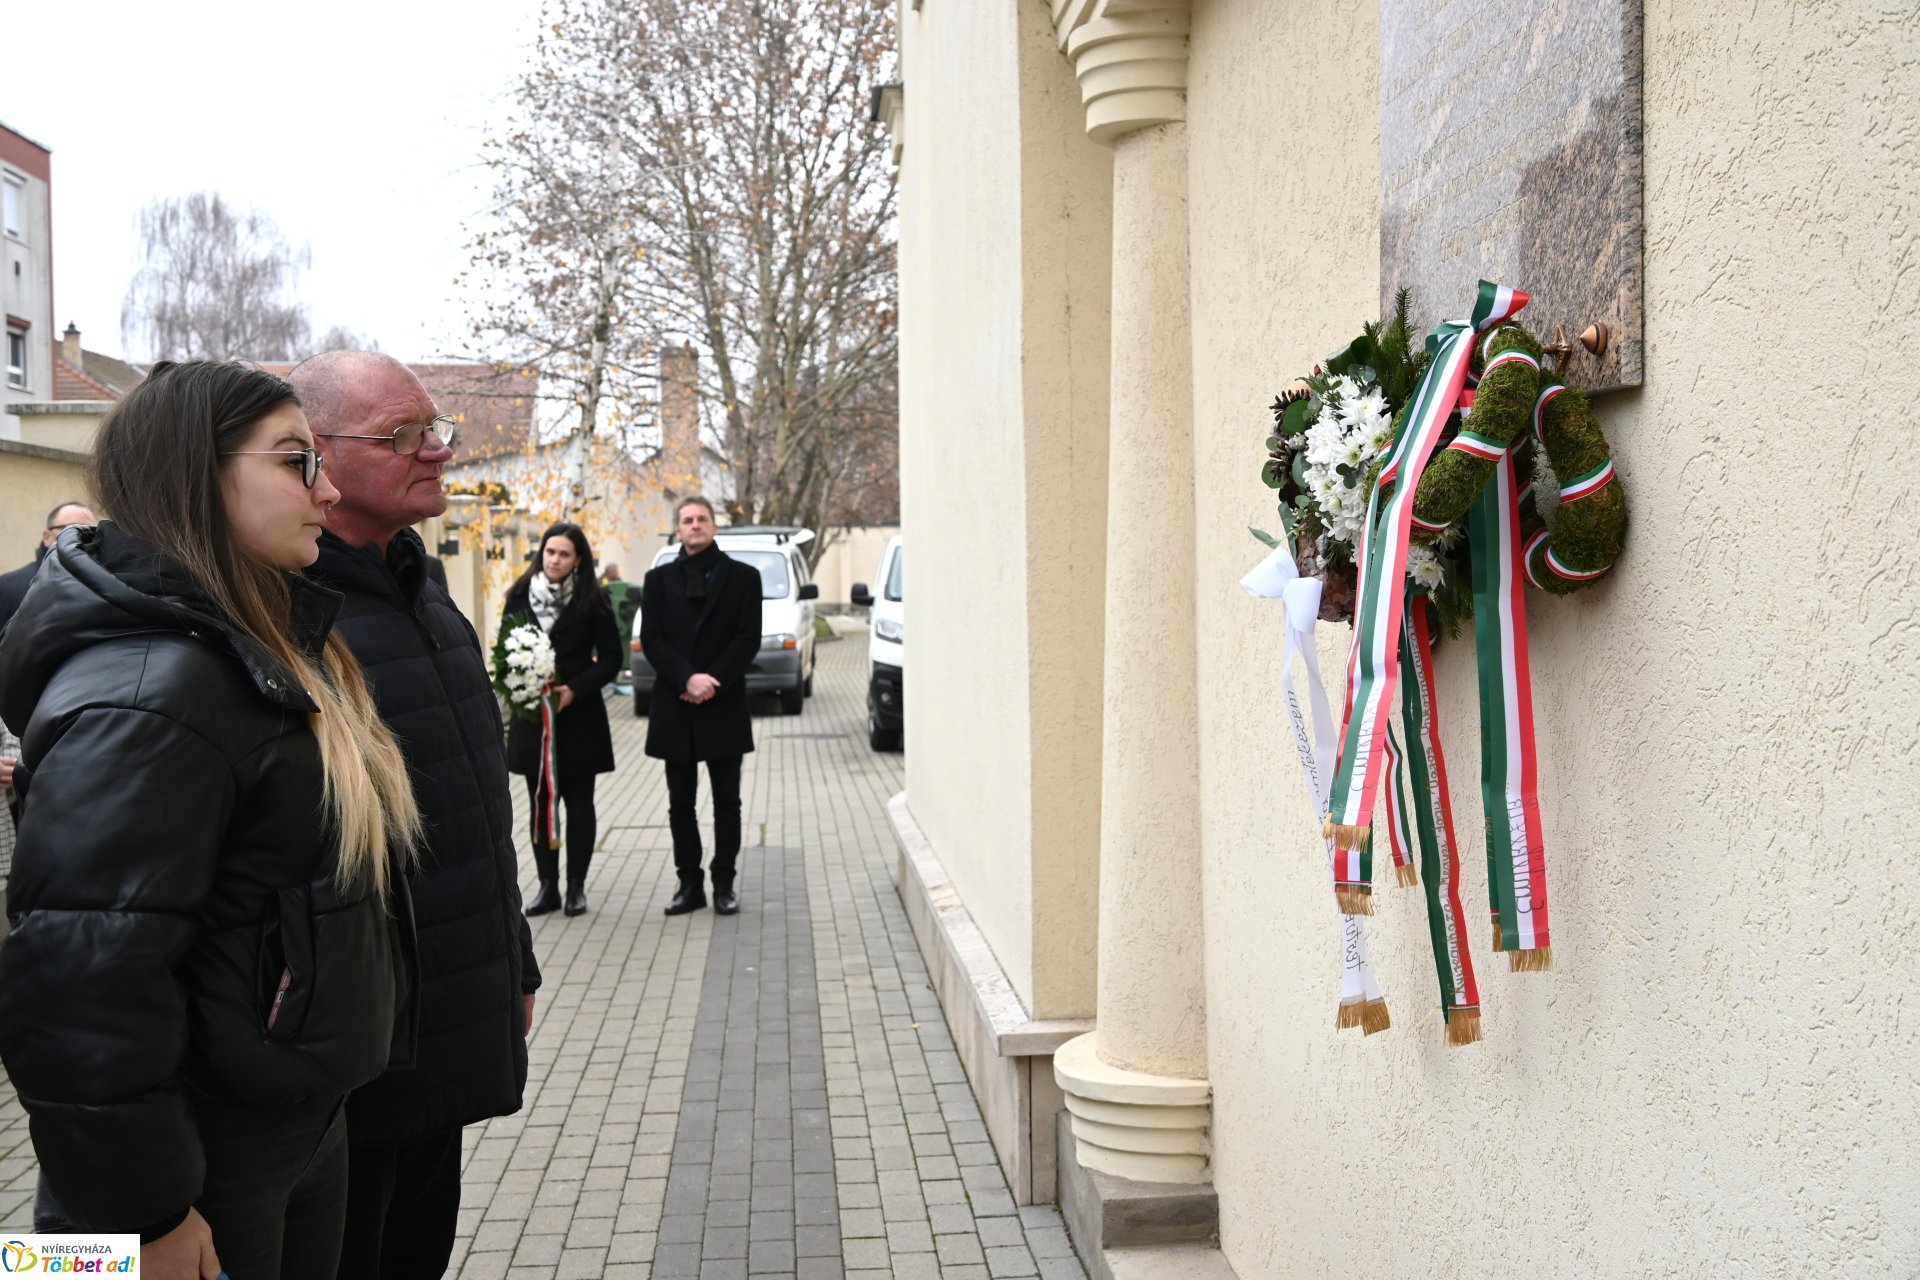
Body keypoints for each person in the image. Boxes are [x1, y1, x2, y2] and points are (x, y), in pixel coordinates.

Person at [0, 361, 422, 1280]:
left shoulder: (254, 646)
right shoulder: (151, 690)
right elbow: (78, 976)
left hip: (284, 1131)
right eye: (295, 461)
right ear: (198, 474)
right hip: (185, 1174)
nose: (329, 488)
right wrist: (140, 1215)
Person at [289, 350, 541, 1280]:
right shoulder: (288, 616)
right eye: (403, 435)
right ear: (314, 455)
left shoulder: (424, 589)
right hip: (355, 1060)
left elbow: (471, 798)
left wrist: (512, 957)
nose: (436, 451)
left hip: (444, 1029)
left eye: (436, 429)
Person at [641, 496, 763, 916]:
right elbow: (653, 639)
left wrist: (711, 681)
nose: (695, 525)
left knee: (727, 802)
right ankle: (689, 884)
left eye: (702, 519)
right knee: (681, 804)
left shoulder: (744, 578)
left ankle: (724, 883)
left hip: (722, 704)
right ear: (678, 529)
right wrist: (686, 678)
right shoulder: (657, 581)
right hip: (676, 707)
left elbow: (747, 638)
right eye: (687, 520)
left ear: (714, 526)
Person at [501, 523, 623, 917]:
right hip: (532, 720)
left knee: (579, 802)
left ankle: (576, 887)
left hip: (578, 718)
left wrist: (575, 688)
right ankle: (547, 887)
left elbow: (611, 659)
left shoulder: (594, 600)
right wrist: (519, 684)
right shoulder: (520, 595)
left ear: (578, 560)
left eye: (564, 554)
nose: (555, 560)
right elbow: (505, 651)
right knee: (540, 802)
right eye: (550, 552)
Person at [0, 500, 95, 635]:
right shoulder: (8, 587)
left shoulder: (111, 582)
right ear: (46, 536)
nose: (83, 536)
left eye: (91, 530)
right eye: (70, 528)